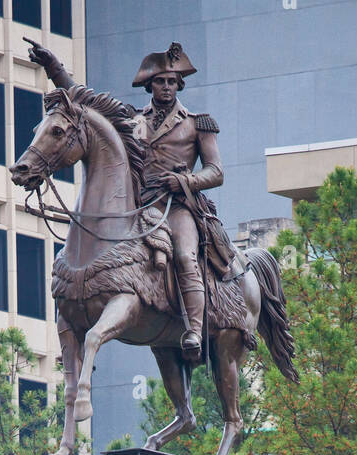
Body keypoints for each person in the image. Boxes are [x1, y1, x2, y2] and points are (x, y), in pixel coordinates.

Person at [28, 38, 230, 362]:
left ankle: (193, 329)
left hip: (175, 205)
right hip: (136, 203)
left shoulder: (197, 123)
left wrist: (186, 180)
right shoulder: (131, 118)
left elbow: (216, 172)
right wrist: (54, 68)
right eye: (160, 81)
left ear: (179, 84)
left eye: (172, 82)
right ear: (149, 85)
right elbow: (84, 99)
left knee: (184, 254)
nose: (166, 87)